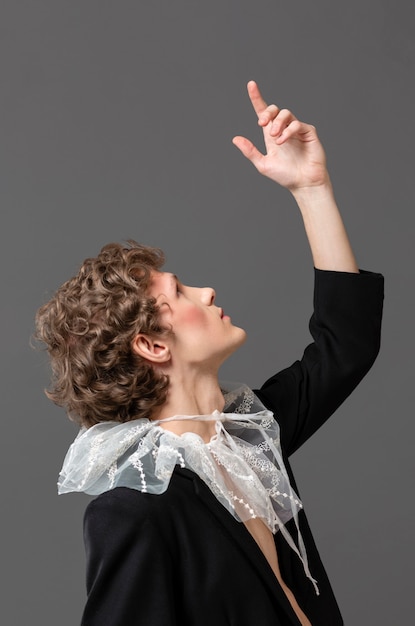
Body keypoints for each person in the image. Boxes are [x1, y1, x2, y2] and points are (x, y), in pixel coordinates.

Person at [36, 81, 384, 625]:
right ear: (151, 345)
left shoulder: (249, 438)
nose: (208, 292)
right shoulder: (132, 512)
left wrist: (311, 189)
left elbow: (348, 343)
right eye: (180, 293)